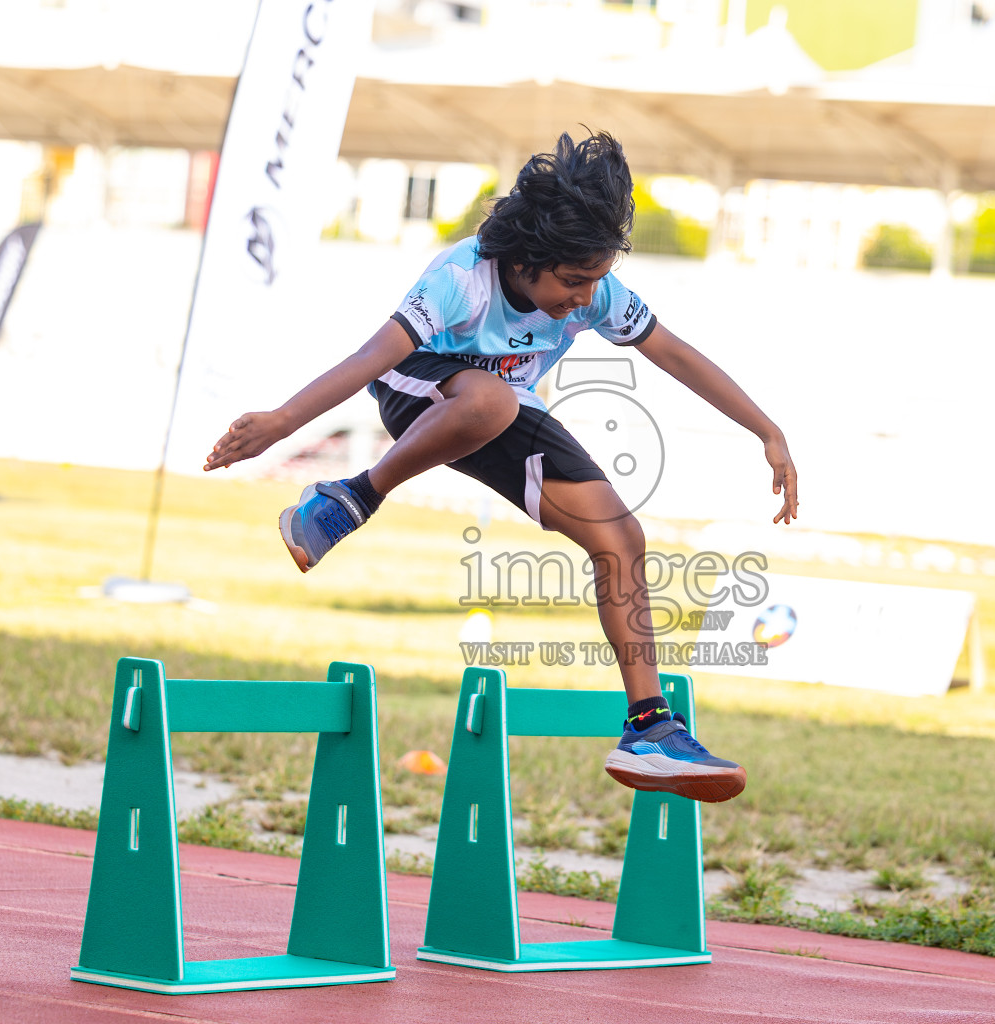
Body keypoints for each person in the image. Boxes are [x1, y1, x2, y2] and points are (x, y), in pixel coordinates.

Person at [204, 130, 798, 804]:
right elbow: (372, 359)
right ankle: (350, 498)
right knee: (487, 398)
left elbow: (677, 355)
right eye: (574, 282)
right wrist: (282, 421)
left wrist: (765, 430)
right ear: (527, 260)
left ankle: (650, 729)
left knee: (621, 538)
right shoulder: (462, 279)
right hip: (419, 394)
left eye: (597, 280)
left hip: (505, 407)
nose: (586, 297)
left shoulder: (595, 291)